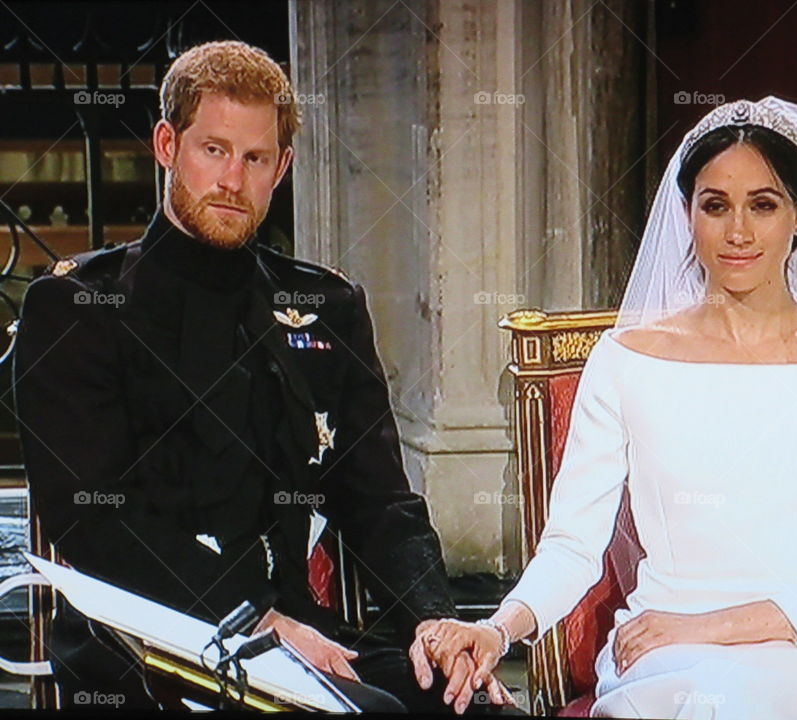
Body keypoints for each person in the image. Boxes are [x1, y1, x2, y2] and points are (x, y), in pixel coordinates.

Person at [13, 40, 516, 714]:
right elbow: (96, 522)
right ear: (167, 145)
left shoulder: (323, 307)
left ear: (281, 167)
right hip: (143, 641)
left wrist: (433, 621)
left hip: (303, 635)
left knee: (470, 707)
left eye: (254, 159)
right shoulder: (79, 307)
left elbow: (379, 502)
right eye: (213, 150)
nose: (231, 180)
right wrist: (252, 618)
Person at [416, 97, 797, 718]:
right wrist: (497, 628)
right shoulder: (628, 360)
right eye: (715, 206)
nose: (738, 232)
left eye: (763, 205)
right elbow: (571, 545)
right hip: (663, 652)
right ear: (687, 214)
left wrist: (714, 626)